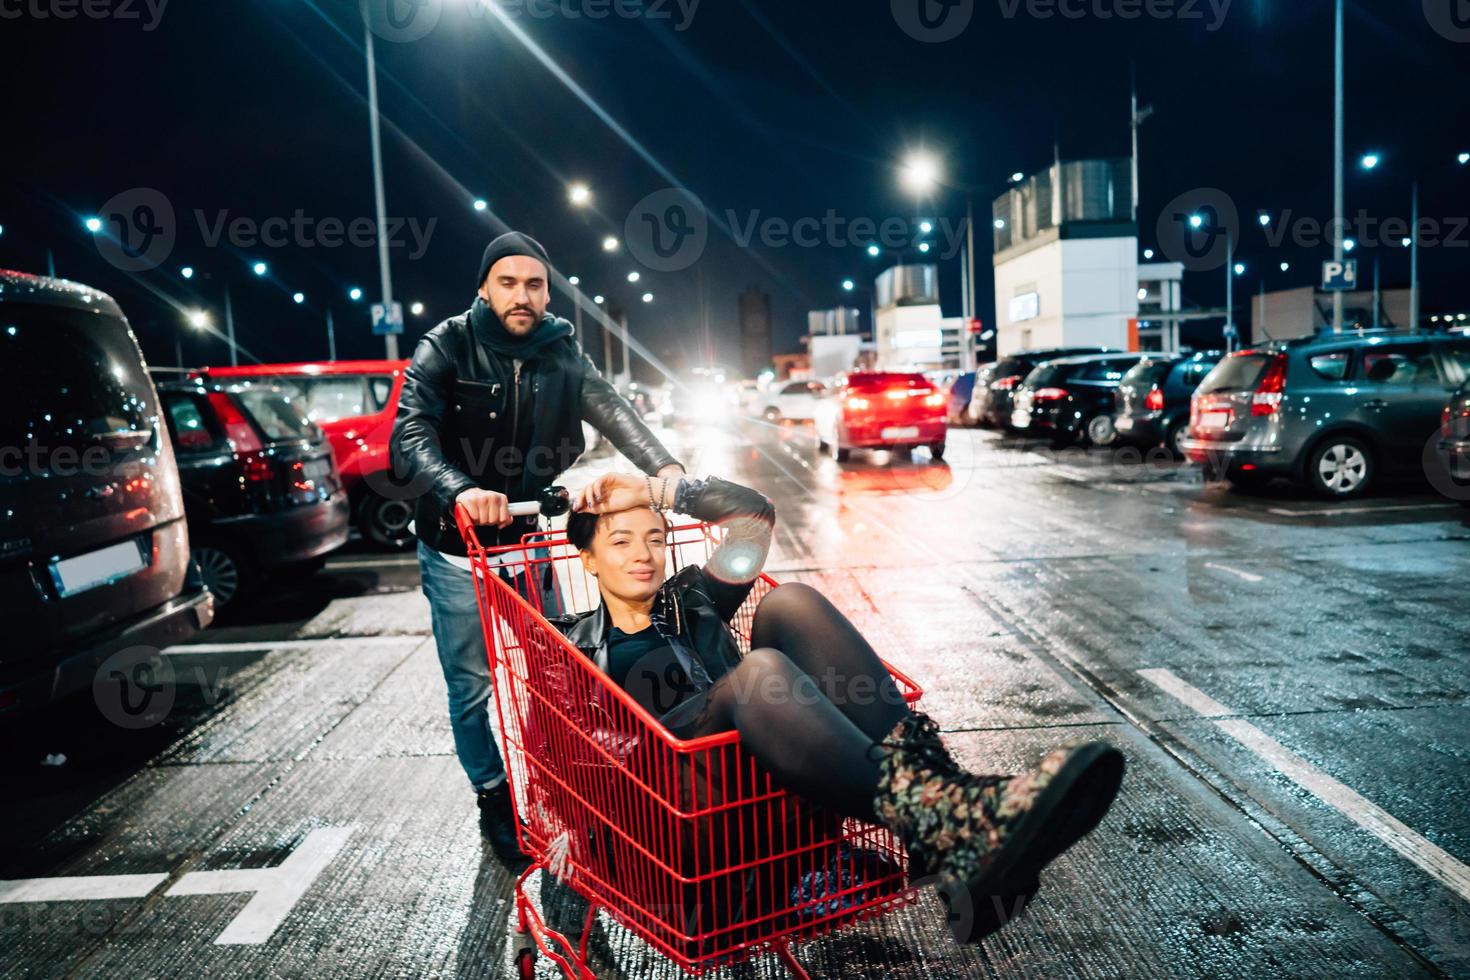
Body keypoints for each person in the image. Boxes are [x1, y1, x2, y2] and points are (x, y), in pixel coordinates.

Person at [555, 470, 1125, 942]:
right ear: (587, 559)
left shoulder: (692, 599)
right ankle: (946, 818)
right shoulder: (567, 644)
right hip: (673, 811)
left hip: (768, 774)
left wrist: (661, 492)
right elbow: (567, 760)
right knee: (758, 673)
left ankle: (944, 814)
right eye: (621, 541)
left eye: (654, 537)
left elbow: (754, 516)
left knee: (789, 602)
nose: (644, 555)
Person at [391, 231, 685, 869]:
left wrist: (665, 468)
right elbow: (409, 435)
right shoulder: (448, 344)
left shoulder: (560, 349)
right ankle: (493, 797)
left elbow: (609, 407)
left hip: (525, 543)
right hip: (454, 549)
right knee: (472, 685)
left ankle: (561, 792)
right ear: (484, 288)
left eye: (534, 284)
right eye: (507, 282)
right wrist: (461, 489)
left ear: (547, 293)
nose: (521, 295)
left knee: (554, 675)